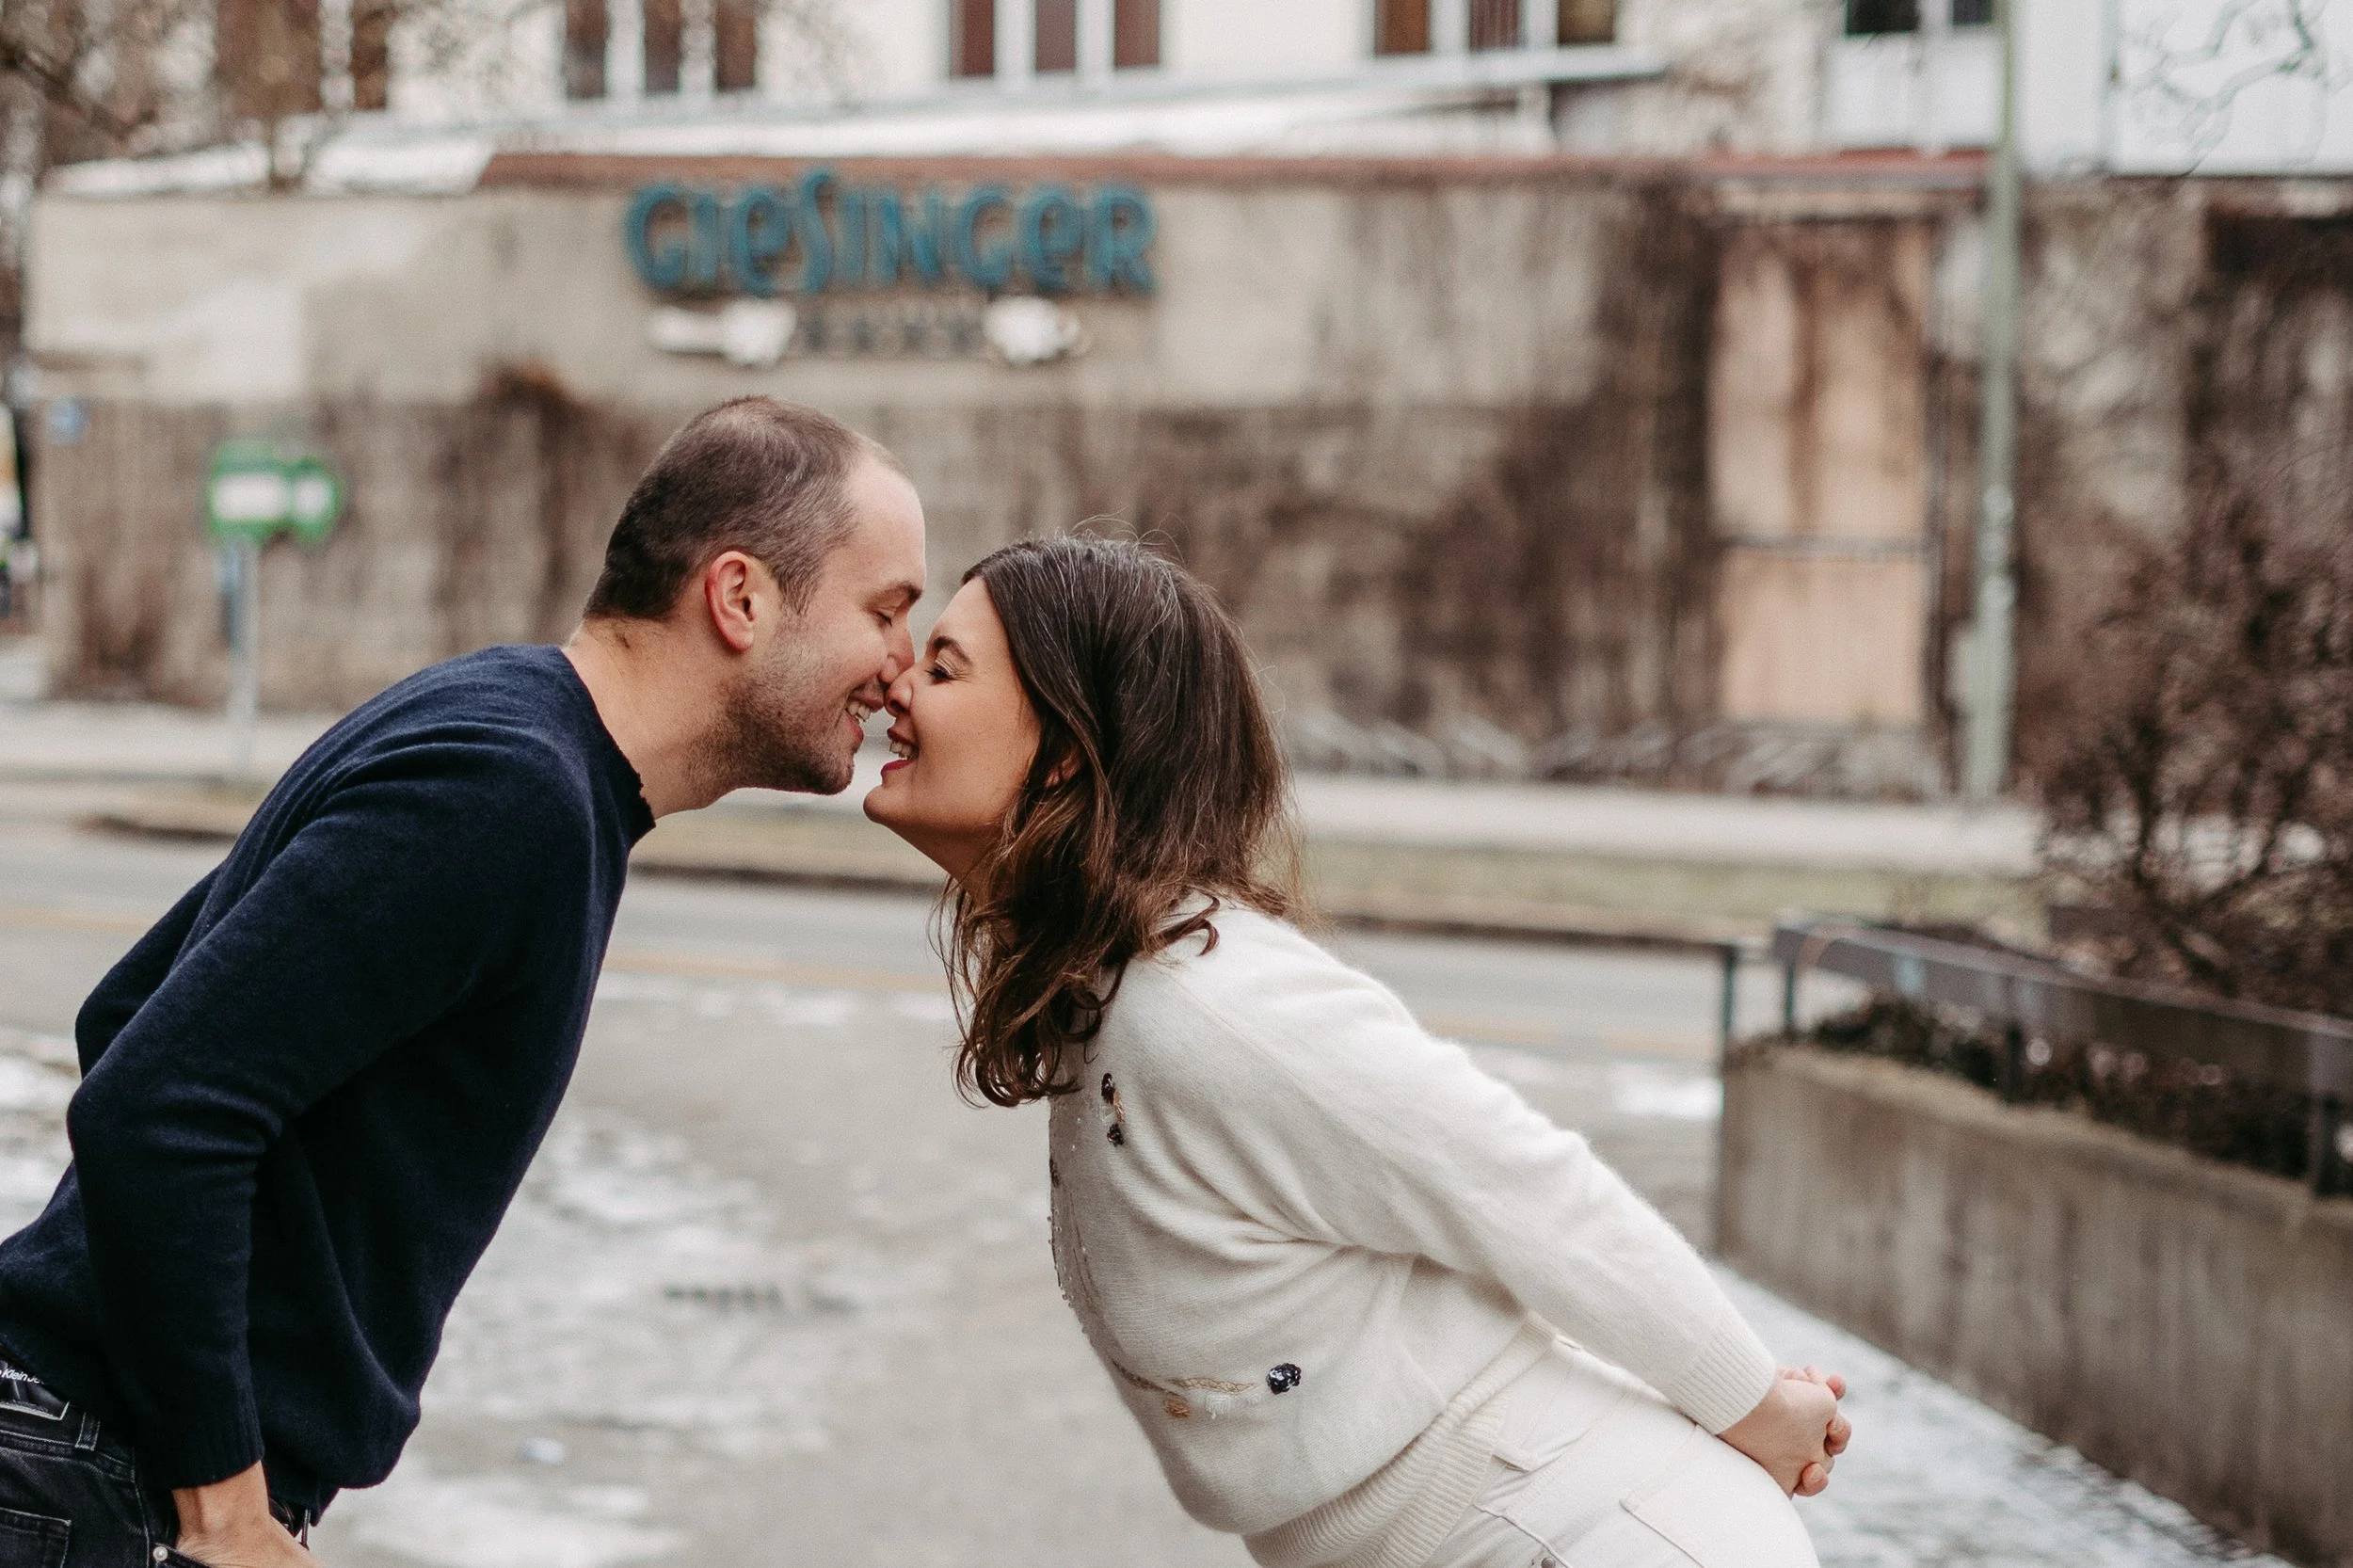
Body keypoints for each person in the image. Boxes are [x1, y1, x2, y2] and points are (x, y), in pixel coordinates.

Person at [0, 397, 926, 1567]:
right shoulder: (507, 794)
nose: (901, 666)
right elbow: (152, 1104)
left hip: (92, 1462)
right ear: (739, 597)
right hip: (104, 1478)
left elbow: (130, 1018)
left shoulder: (515, 738)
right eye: (885, 610)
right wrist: (222, 1504)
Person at [863, 535, 1849, 1568]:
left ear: (1068, 747)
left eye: (944, 668)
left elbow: (1526, 1191)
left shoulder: (1211, 1004)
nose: (898, 689)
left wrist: (1755, 1405)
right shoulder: (1106, 994)